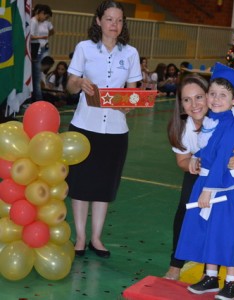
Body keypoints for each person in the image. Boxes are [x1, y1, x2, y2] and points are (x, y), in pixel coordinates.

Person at [66, 0, 142, 257]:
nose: (114, 25)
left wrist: (130, 105)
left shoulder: (130, 53)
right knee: (80, 184)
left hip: (116, 131)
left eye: (119, 20)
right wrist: (79, 83)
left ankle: (96, 238)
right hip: (84, 128)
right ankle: (80, 236)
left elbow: (133, 92)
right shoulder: (84, 48)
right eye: (109, 19)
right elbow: (70, 85)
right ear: (98, 21)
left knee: (104, 185)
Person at [175, 63, 234, 299]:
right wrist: (194, 159)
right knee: (210, 231)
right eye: (213, 94)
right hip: (208, 182)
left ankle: (231, 282)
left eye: (223, 95)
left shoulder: (230, 125)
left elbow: (221, 160)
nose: (216, 99)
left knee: (225, 233)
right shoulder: (213, 121)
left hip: (224, 187)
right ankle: (210, 277)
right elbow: (208, 151)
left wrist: (208, 191)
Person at [30, 4, 54, 101]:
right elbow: (31, 36)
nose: (45, 19)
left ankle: (39, 96)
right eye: (45, 16)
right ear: (41, 13)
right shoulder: (34, 21)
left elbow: (52, 31)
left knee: (39, 74)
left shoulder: (42, 22)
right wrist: (42, 37)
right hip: (36, 49)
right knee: (36, 76)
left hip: (41, 49)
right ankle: (38, 98)